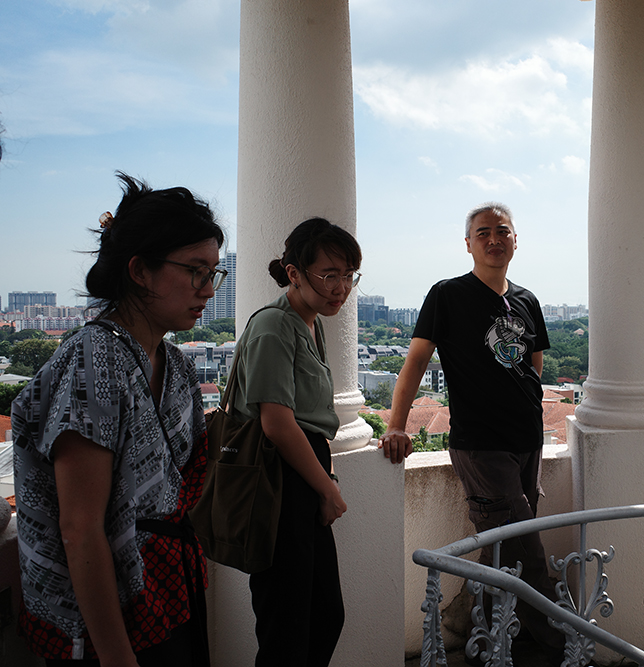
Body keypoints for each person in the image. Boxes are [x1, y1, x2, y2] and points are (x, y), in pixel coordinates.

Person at [13, 172, 226, 666]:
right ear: (140, 271)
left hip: (168, 596)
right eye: (195, 271)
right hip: (106, 626)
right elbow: (80, 527)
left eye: (214, 274)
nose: (207, 290)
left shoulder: (172, 364)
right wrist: (115, 656)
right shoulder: (95, 362)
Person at [379, 203, 565, 663]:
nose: (493, 239)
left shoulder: (527, 300)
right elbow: (416, 362)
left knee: (503, 547)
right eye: (483, 232)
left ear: (516, 241)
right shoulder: (448, 295)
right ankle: (562, 644)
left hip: (527, 440)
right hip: (480, 444)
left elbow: (532, 364)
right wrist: (397, 425)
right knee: (529, 547)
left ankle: (480, 635)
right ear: (468, 244)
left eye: (503, 231)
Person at [227, 218, 359, 667]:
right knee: (286, 628)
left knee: (323, 616)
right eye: (329, 275)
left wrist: (323, 481)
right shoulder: (273, 327)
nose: (340, 288)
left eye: (348, 276)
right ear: (294, 273)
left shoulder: (309, 323)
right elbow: (278, 424)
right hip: (277, 481)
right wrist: (328, 488)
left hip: (303, 473)